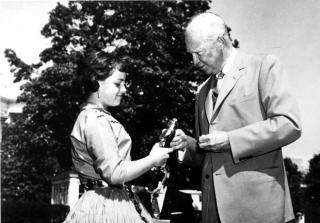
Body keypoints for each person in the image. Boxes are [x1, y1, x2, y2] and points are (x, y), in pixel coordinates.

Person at [171, 12, 302, 223]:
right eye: (191, 54)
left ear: (221, 40)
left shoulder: (264, 66)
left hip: (259, 210)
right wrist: (188, 145)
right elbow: (208, 157)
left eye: (199, 52)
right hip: (213, 213)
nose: (194, 61)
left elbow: (289, 124)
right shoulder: (202, 91)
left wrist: (231, 140)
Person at [64, 52, 173, 223]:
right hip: (106, 208)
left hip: (109, 200)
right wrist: (152, 159)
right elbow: (115, 174)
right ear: (97, 83)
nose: (124, 89)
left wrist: (152, 158)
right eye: (118, 83)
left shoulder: (97, 116)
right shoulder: (96, 119)